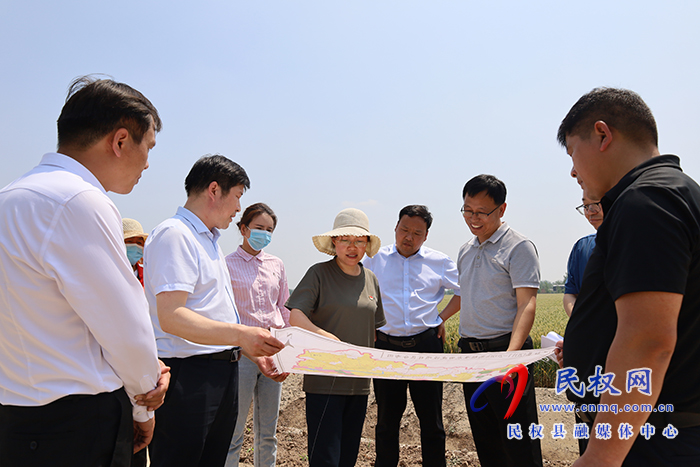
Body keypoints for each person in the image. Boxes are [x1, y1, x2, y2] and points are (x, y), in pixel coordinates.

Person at [0, 76, 169, 466]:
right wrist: (144, 405)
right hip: (78, 423)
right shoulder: (79, 201)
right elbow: (126, 329)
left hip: (18, 417)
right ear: (121, 140)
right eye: (149, 147)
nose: (148, 163)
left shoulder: (11, 197)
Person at [558, 87, 700, 466]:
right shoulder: (674, 193)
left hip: (649, 440)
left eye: (572, 152)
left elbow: (648, 341)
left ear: (603, 135)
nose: (572, 170)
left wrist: (601, 456)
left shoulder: (646, 202)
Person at [144, 155, 286, 467]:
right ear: (213, 189)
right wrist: (241, 334)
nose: (238, 208)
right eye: (237, 196)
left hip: (220, 371)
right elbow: (172, 316)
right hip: (189, 375)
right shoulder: (175, 234)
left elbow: (212, 311)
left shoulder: (208, 240)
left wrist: (248, 349)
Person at [448, 174, 543, 467]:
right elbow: (468, 296)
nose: (473, 218)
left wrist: (511, 358)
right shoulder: (466, 249)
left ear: (501, 210)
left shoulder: (518, 246)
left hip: (506, 352)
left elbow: (526, 303)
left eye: (481, 212)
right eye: (467, 210)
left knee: (519, 442)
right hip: (472, 358)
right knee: (486, 439)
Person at [285, 208, 386, 467]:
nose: (352, 247)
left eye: (359, 241)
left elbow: (373, 330)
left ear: (366, 244)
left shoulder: (370, 279)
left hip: (359, 384)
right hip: (324, 382)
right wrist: (325, 336)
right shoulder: (319, 274)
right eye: (345, 240)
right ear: (334, 243)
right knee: (325, 458)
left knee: (348, 456)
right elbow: (296, 317)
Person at [363, 205, 461, 467]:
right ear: (395, 228)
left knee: (432, 420)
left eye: (417, 233)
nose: (409, 237)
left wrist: (441, 318)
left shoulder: (439, 262)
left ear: (426, 236)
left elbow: (464, 290)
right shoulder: (374, 260)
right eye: (404, 230)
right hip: (386, 346)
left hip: (426, 346)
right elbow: (355, 289)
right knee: (386, 421)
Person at [225, 203, 290, 467]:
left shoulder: (276, 264)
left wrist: (287, 349)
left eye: (269, 230)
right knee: (234, 429)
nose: (264, 234)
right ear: (243, 229)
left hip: (273, 351)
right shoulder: (225, 264)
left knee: (268, 431)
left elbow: (284, 308)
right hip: (240, 355)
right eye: (259, 228)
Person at [562, 198, 603, 317]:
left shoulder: (634, 245)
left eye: (595, 205)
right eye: (585, 207)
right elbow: (570, 293)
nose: (590, 212)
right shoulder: (581, 247)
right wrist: (580, 321)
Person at [123, 217, 149, 286]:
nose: (135, 246)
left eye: (139, 243)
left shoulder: (147, 275)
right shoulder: (107, 272)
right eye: (129, 241)